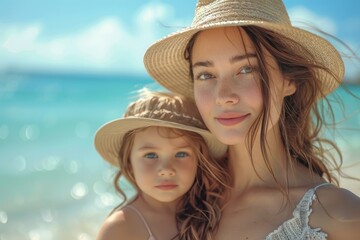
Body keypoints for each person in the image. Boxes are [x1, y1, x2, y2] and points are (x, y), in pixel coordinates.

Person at [143, 0, 360, 239]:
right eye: (206, 74)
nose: (224, 96)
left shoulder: (341, 216)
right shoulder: (178, 203)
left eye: (246, 69)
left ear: (289, 80)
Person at [94, 89, 230, 240]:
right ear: (129, 163)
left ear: (200, 160)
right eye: (150, 155)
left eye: (181, 154)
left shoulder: (212, 210)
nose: (166, 170)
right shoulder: (121, 228)